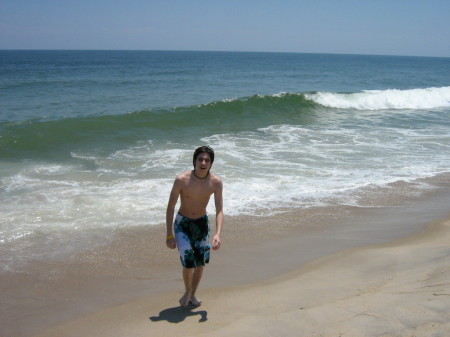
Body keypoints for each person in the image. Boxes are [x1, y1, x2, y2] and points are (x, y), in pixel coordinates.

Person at [166, 145, 223, 307]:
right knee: (188, 261)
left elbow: (219, 210)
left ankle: (192, 294)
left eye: (207, 160)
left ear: (211, 164)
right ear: (194, 161)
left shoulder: (216, 182)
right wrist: (169, 234)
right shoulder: (181, 180)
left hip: (202, 224)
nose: (203, 162)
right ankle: (187, 290)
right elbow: (170, 207)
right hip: (182, 224)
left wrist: (218, 234)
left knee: (200, 263)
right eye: (200, 159)